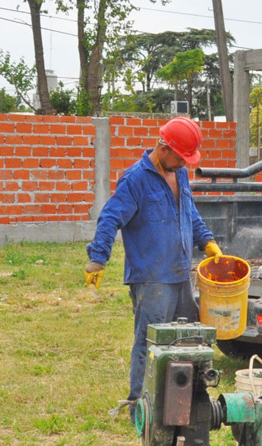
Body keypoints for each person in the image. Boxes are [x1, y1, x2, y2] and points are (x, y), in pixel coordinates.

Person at [84, 116, 222, 414]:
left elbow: (189, 213)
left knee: (188, 339)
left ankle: (186, 399)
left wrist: (206, 240)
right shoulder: (135, 180)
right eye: (181, 157)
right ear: (163, 148)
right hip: (151, 278)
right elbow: (110, 217)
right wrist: (98, 258)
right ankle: (139, 403)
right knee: (151, 341)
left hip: (179, 274)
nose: (185, 164)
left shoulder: (180, 175)